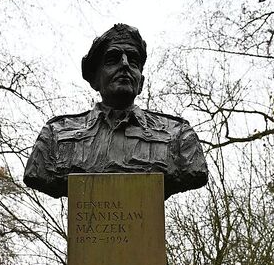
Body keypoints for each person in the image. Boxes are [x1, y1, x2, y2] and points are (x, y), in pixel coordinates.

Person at [23, 23, 208, 199]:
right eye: (113, 59)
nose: (125, 64)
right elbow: (37, 174)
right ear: (95, 79)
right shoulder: (55, 134)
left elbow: (194, 171)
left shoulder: (178, 135)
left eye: (133, 61)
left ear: (141, 83)